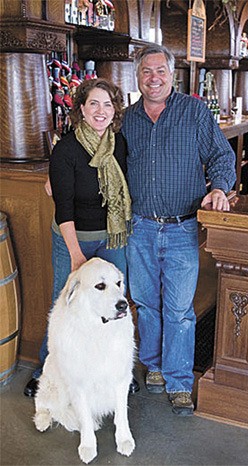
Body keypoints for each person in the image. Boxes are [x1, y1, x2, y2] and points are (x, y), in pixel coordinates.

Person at [121, 44, 236, 416]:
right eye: (145, 72)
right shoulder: (126, 118)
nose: (153, 78)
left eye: (160, 71)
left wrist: (218, 186)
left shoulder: (194, 112)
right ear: (137, 77)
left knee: (179, 310)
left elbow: (222, 156)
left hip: (181, 228)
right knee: (146, 304)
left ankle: (179, 381)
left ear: (173, 75)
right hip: (139, 227)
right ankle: (153, 366)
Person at [24, 78, 139, 397]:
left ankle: (118, 371)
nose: (101, 111)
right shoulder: (67, 150)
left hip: (113, 238)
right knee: (65, 303)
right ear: (81, 110)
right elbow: (64, 208)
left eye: (107, 104)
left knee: (116, 304)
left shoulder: (120, 143)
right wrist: (76, 254)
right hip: (72, 236)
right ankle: (47, 370)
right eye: (93, 104)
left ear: (115, 110)